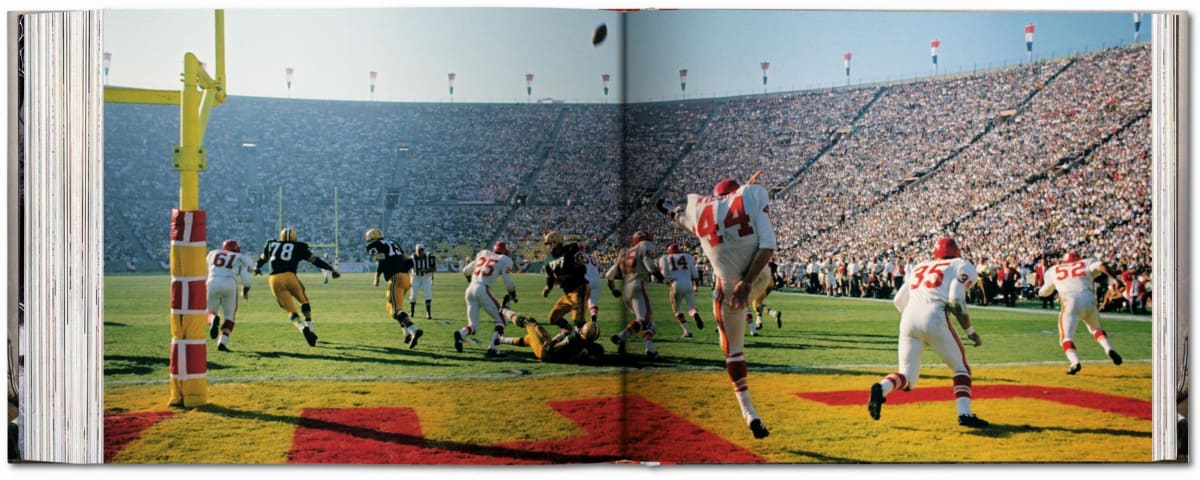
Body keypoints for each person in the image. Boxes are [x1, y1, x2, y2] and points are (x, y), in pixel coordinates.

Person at [656, 171, 773, 439]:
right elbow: (767, 247)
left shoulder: (702, 213)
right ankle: (755, 314)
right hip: (759, 276)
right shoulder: (749, 198)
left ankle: (749, 412)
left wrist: (662, 207)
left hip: (729, 288)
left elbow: (679, 216)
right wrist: (749, 281)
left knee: (732, 351)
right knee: (748, 308)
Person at [867, 236, 989, 428]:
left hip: (908, 319)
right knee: (961, 368)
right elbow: (956, 299)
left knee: (908, 376)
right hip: (934, 315)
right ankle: (965, 414)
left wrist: (917, 317)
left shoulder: (920, 266)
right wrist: (970, 331)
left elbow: (898, 300)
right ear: (956, 251)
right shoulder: (961, 264)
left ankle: (882, 388)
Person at [1038, 252, 1124, 375]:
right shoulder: (1086, 262)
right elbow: (1102, 265)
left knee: (1066, 338)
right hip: (1089, 299)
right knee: (1096, 329)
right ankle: (1108, 348)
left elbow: (1046, 291)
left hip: (1070, 301)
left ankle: (1075, 362)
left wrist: (1040, 292)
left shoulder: (1053, 270)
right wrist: (1113, 278)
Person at [254, 228, 340, 347]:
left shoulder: (271, 244)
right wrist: (331, 269)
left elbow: (263, 258)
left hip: (274, 279)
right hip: (290, 277)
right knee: (304, 301)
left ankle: (302, 328)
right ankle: (310, 329)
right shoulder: (298, 247)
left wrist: (257, 267)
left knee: (291, 311)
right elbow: (315, 260)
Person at [607, 231, 665, 359]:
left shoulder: (624, 252)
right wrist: (659, 276)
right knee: (643, 320)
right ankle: (621, 336)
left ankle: (650, 350)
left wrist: (613, 289)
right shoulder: (645, 245)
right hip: (638, 285)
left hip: (625, 290)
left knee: (648, 323)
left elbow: (609, 275)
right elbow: (648, 262)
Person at [454, 241, 518, 357]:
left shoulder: (483, 253)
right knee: (502, 320)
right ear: (504, 251)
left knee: (473, 325)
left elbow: (466, 271)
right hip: (483, 289)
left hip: (470, 289)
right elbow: (508, 281)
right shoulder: (505, 259)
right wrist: (513, 294)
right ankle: (492, 347)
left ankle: (461, 334)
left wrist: (469, 279)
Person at [364, 228, 422, 348]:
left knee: (395, 310)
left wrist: (377, 277)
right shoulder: (392, 242)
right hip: (406, 277)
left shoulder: (373, 245)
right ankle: (407, 334)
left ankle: (414, 330)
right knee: (392, 307)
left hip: (396, 278)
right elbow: (406, 258)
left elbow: (381, 260)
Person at [496, 302, 604, 363]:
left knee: (528, 322)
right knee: (531, 339)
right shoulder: (593, 347)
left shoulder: (574, 338)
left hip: (546, 351)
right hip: (554, 354)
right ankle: (500, 339)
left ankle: (503, 310)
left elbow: (552, 348)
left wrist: (561, 335)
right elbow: (597, 350)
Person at [205, 239, 254, 352]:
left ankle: (213, 319)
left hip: (212, 282)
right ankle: (222, 342)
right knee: (229, 317)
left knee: (210, 312)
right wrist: (245, 291)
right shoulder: (240, 257)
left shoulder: (213, 253)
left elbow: (206, 268)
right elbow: (246, 279)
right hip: (229, 283)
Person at [540, 231, 590, 330]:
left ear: (555, 242)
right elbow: (550, 278)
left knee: (578, 320)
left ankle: (590, 334)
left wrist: (564, 277)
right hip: (567, 293)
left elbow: (582, 269)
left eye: (548, 244)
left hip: (579, 288)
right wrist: (547, 288)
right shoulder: (548, 260)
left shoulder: (570, 249)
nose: (547, 247)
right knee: (553, 318)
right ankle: (569, 331)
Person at [659, 243, 704, 337]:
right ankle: (695, 314)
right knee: (692, 308)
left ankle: (687, 331)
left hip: (675, 283)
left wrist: (669, 285)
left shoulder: (665, 258)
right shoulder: (687, 256)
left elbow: (664, 275)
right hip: (688, 283)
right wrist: (696, 287)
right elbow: (695, 274)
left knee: (676, 310)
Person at [410, 244, 437, 319]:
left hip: (426, 276)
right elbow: (406, 268)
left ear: (424, 250)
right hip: (415, 277)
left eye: (422, 250)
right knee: (413, 295)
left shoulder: (429, 257)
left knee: (427, 293)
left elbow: (434, 268)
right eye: (419, 250)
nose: (420, 252)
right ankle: (412, 312)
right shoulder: (412, 258)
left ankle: (428, 313)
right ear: (416, 251)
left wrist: (425, 271)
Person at [579, 244, 603, 324]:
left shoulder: (578, 257)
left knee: (580, 302)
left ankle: (580, 321)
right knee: (593, 301)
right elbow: (598, 269)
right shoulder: (592, 257)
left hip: (586, 280)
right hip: (597, 280)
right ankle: (593, 316)